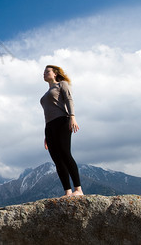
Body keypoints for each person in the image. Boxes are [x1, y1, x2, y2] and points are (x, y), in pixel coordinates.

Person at [40, 65, 84, 197]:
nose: (44, 73)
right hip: (50, 126)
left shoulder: (61, 85)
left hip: (62, 122)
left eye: (47, 71)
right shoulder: (45, 94)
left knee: (65, 153)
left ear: (55, 74)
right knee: (57, 159)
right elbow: (47, 113)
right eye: (44, 72)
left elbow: (69, 100)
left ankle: (78, 189)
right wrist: (46, 134)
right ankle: (67, 191)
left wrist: (72, 117)